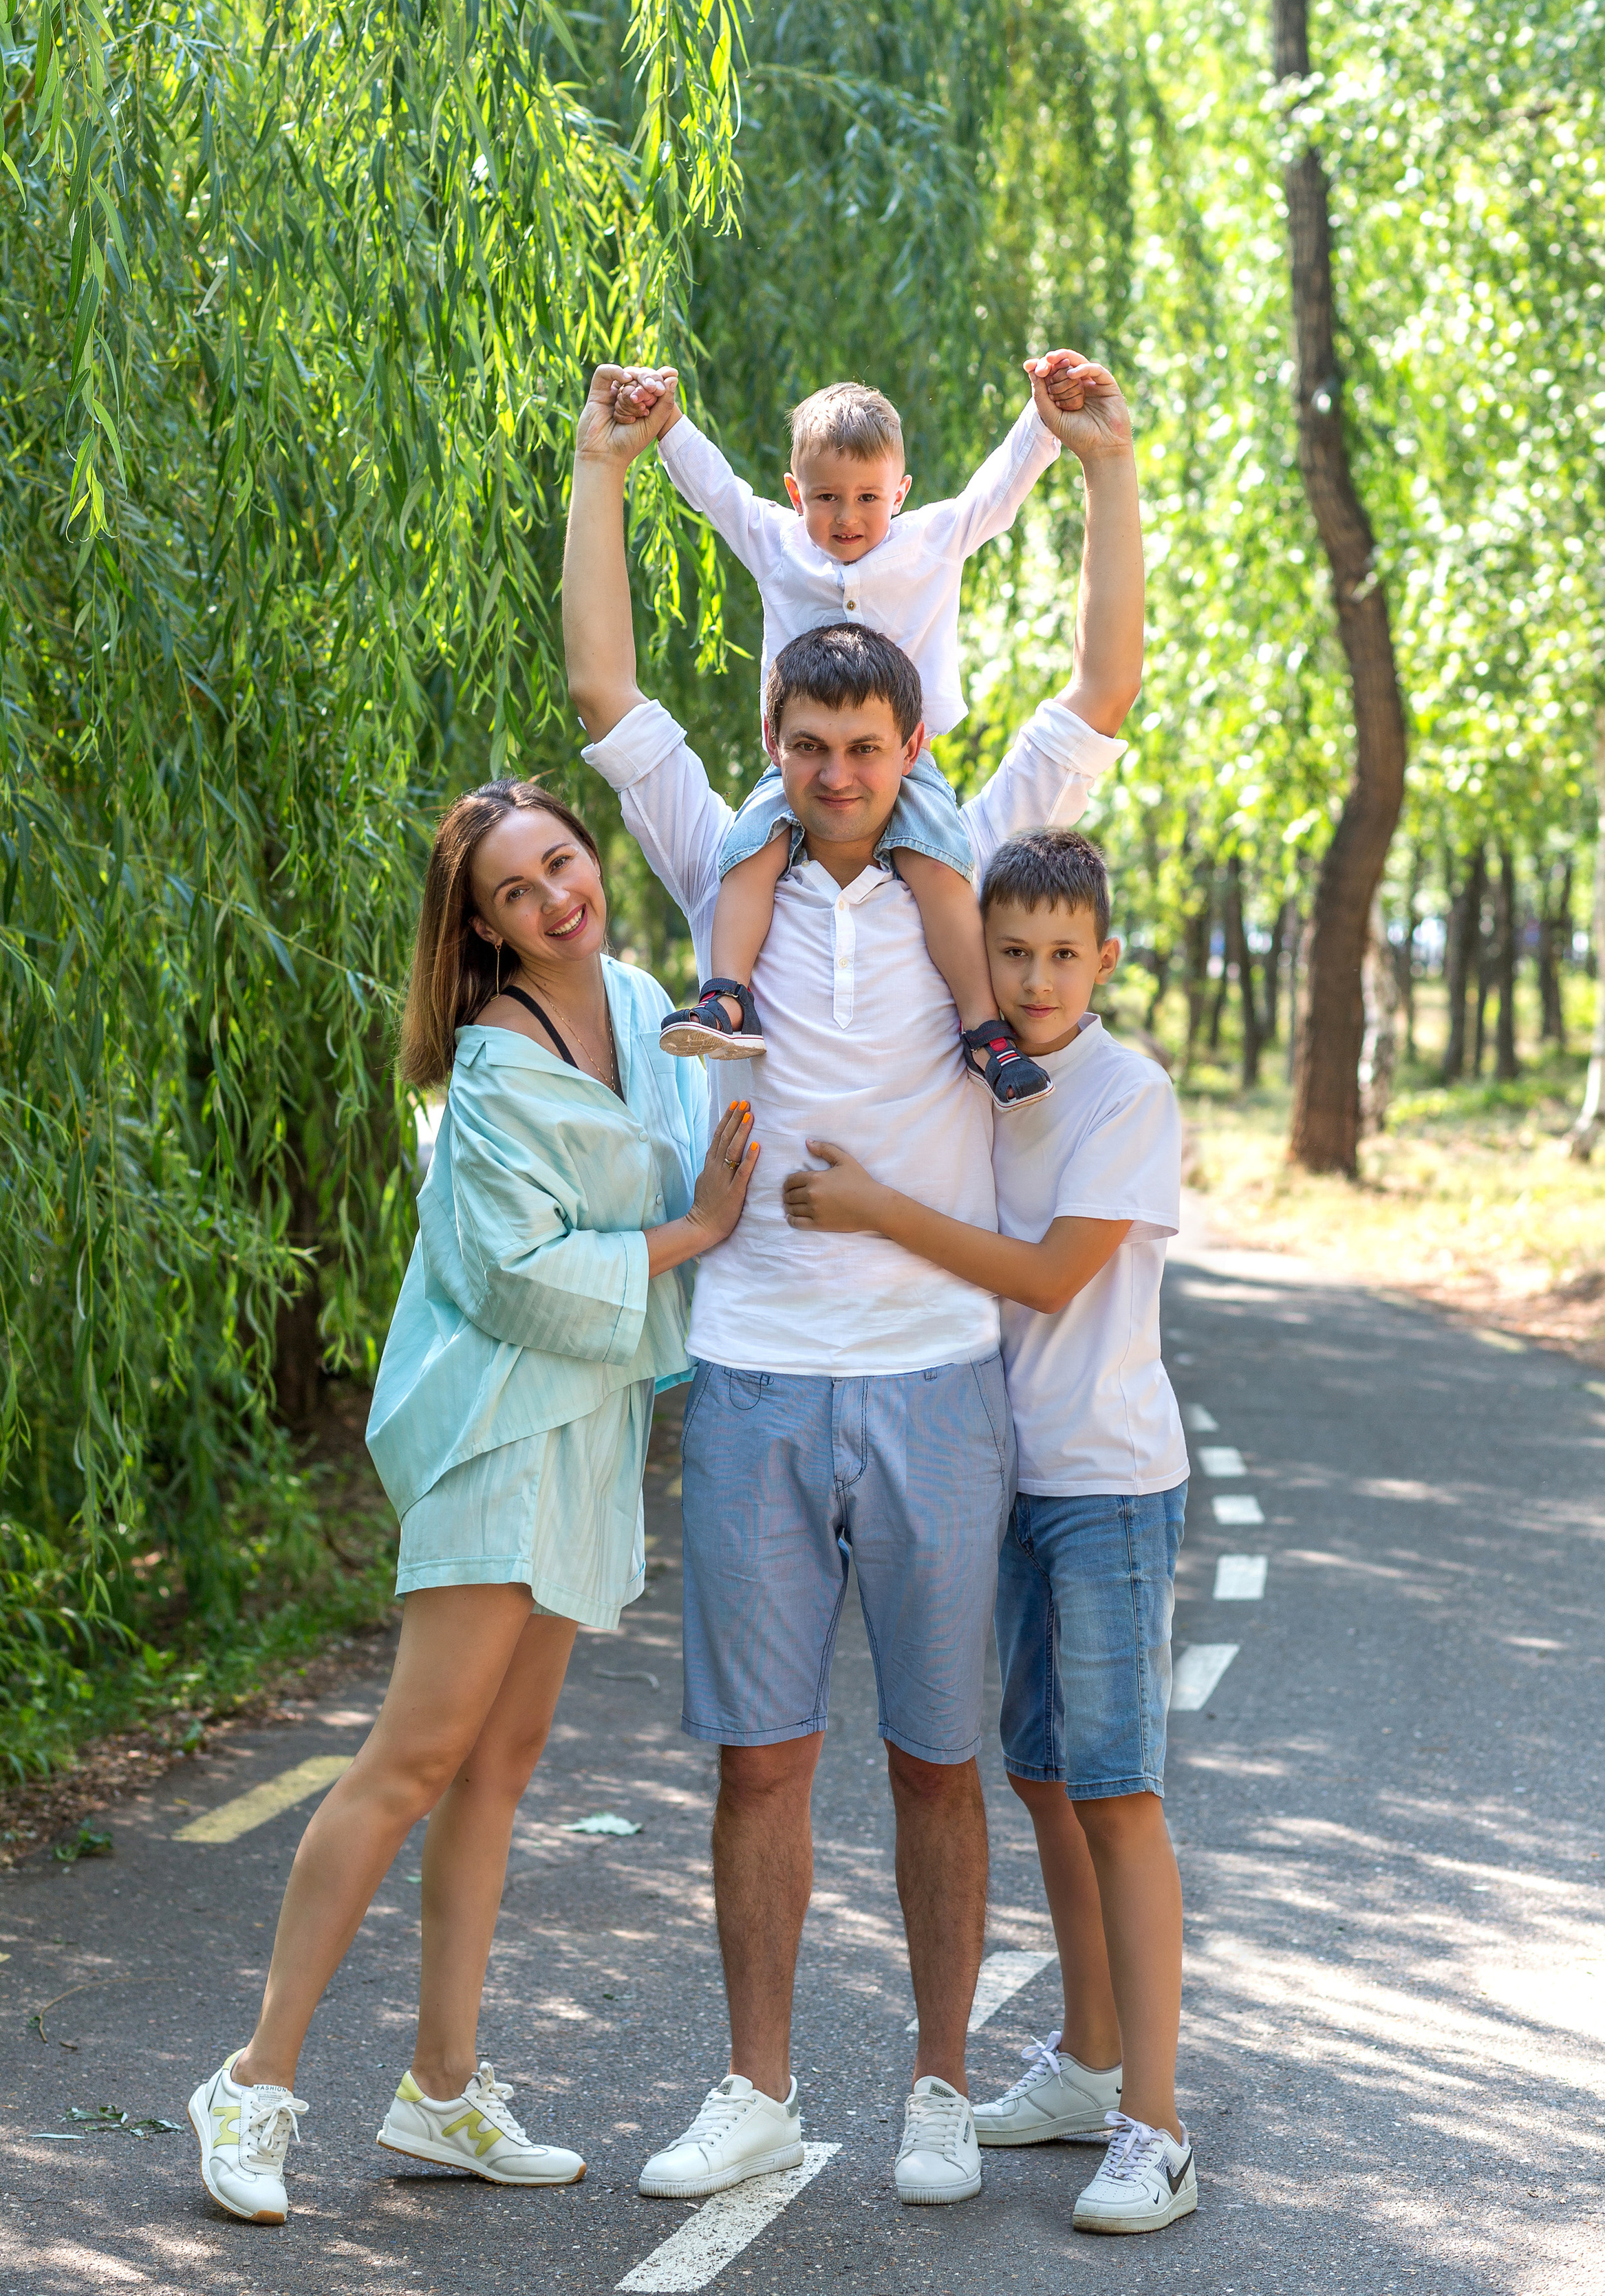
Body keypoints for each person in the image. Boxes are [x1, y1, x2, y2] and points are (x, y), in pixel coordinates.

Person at [561, 354, 1142, 2210]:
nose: (829, 779)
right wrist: (603, 469)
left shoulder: (965, 854)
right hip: (753, 1371)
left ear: (908, 754)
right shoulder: (720, 854)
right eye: (804, 753)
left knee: (937, 1765)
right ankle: (753, 2085)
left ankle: (945, 2087)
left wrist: (1103, 466)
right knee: (759, 1762)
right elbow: (605, 694)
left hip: (934, 1383)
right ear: (780, 748)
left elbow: (1103, 687)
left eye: (862, 755)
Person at [186, 777, 759, 2224]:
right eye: (516, 889)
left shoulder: (636, 1000)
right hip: (499, 1422)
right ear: (484, 926)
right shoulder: (496, 1064)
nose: (555, 894)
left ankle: (441, 2093)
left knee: (500, 1766)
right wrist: (693, 1230)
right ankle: (251, 2085)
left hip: (587, 1423)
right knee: (412, 1758)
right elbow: (512, 1273)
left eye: (560, 860)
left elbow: (706, 1126)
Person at [782, 826, 1194, 2236]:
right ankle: (1085, 2065)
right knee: (1040, 1782)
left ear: (1104, 960)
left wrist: (872, 1209)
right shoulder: (987, 1078)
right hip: (1000, 1478)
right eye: (1008, 952)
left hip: (1106, 1484)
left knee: (1117, 1791)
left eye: (1059, 956)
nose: (1030, 979)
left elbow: (1040, 1275)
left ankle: (1156, 2122)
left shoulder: (1122, 1093)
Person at [605, 360, 1085, 1106]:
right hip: (800, 760)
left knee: (941, 865)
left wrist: (1042, 424)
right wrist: (666, 426)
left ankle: (983, 1032)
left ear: (901, 491)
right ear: (797, 494)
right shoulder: (779, 543)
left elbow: (997, 494)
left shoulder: (931, 541)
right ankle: (726, 996)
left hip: (903, 765)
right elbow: (721, 497)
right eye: (826, 498)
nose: (848, 518)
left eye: (868, 498)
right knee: (748, 848)